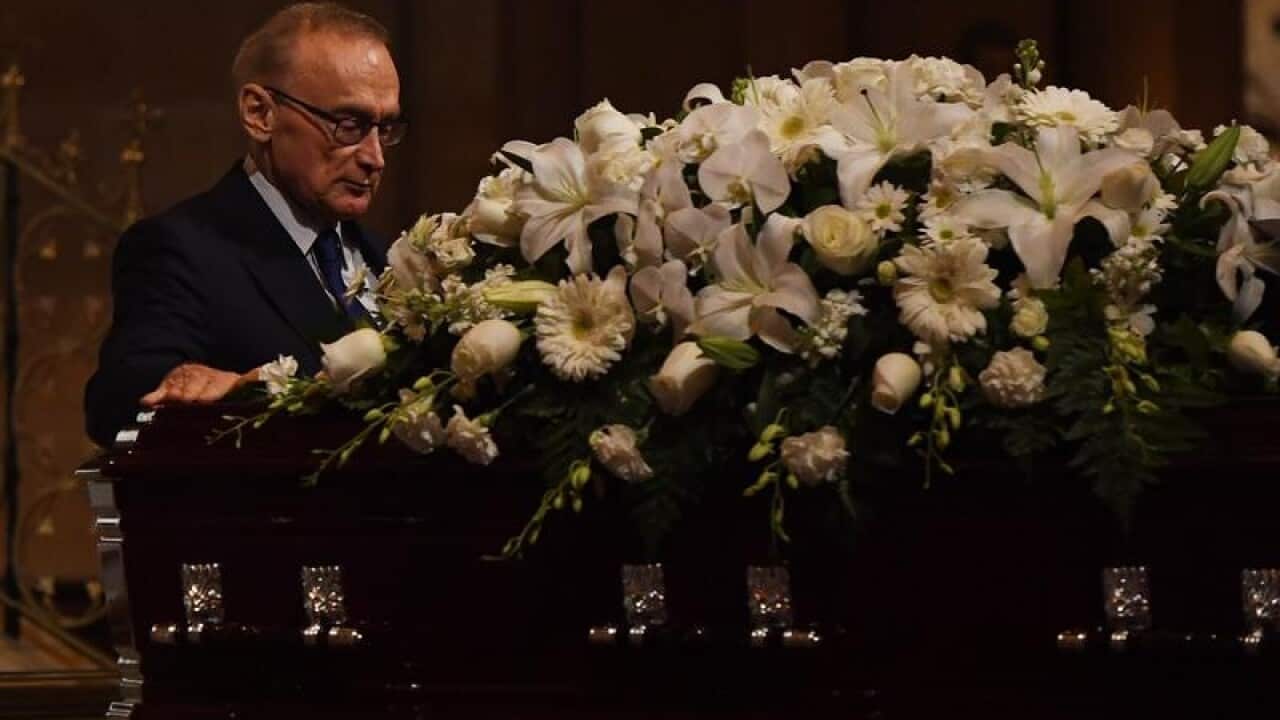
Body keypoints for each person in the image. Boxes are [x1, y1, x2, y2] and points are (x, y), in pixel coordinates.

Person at [84, 2, 404, 447]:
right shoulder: (182, 248)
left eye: (385, 127)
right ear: (260, 114)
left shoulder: (391, 262)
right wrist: (205, 384)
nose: (375, 157)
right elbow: (120, 399)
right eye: (349, 125)